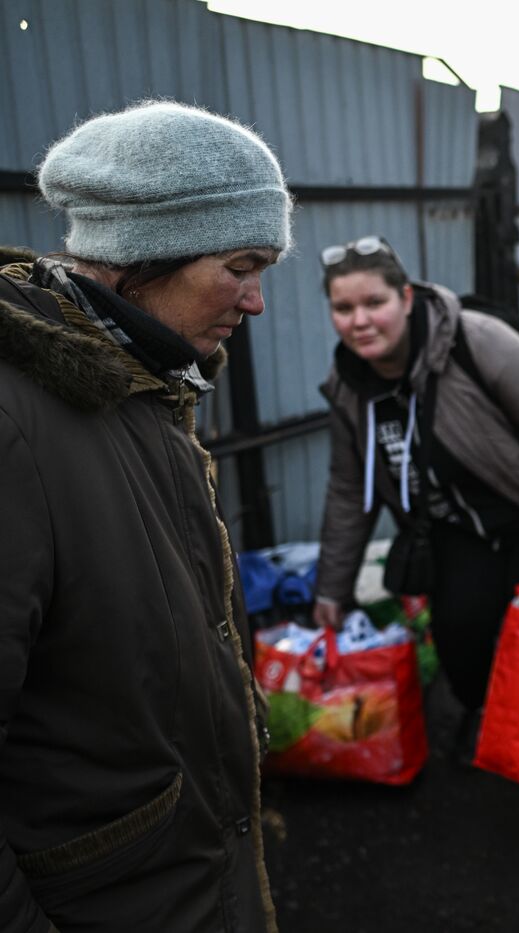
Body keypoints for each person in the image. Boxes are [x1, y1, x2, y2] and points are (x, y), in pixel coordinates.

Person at [0, 101, 290, 931]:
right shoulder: (19, 423)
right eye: (241, 264)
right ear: (141, 256)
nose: (257, 300)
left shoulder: (142, 383)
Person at [311, 237, 519, 752]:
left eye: (374, 303)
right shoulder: (349, 388)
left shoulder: (477, 341)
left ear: (406, 298)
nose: (360, 321)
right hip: (453, 531)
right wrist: (331, 589)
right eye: (344, 308)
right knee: (459, 635)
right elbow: (347, 491)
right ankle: (483, 715)